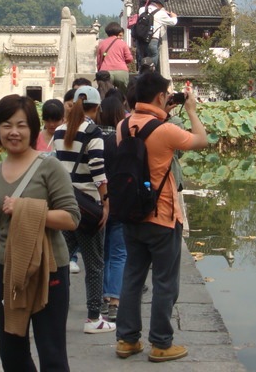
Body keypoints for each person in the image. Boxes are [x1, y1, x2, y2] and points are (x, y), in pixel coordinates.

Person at [0, 94, 79, 372]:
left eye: (21, 125)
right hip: (7, 267)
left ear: (33, 129)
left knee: (52, 353)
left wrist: (24, 208)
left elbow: (72, 218)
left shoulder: (50, 167)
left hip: (48, 269)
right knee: (11, 352)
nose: (14, 132)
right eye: (6, 125)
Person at [114, 72, 208, 362]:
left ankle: (127, 340)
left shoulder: (122, 125)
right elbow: (201, 140)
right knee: (165, 283)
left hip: (131, 214)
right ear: (159, 96)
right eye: (167, 94)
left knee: (132, 277)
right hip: (163, 216)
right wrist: (190, 110)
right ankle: (161, 343)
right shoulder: (166, 131)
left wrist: (162, 111)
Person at [53, 85, 115, 334]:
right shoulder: (94, 132)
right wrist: (106, 204)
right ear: (97, 107)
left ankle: (56, 310)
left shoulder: (58, 130)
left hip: (63, 204)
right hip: (88, 205)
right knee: (95, 264)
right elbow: (98, 173)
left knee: (60, 260)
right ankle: (93, 318)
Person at [97, 95, 128, 323]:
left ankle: (102, 300)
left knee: (102, 253)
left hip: (98, 202)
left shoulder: (93, 137)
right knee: (118, 253)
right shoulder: (123, 138)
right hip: (120, 203)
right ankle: (114, 301)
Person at [136, 0, 177, 71]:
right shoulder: (161, 13)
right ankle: (151, 75)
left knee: (141, 59)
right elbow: (173, 22)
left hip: (141, 40)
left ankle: (141, 75)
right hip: (153, 40)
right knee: (153, 60)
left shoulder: (141, 9)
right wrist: (174, 16)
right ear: (160, 4)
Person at [96, 22, 133, 94]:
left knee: (105, 94)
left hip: (106, 72)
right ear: (118, 32)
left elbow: (99, 61)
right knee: (124, 94)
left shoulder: (101, 44)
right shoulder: (122, 43)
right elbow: (129, 58)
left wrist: (99, 71)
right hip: (121, 72)